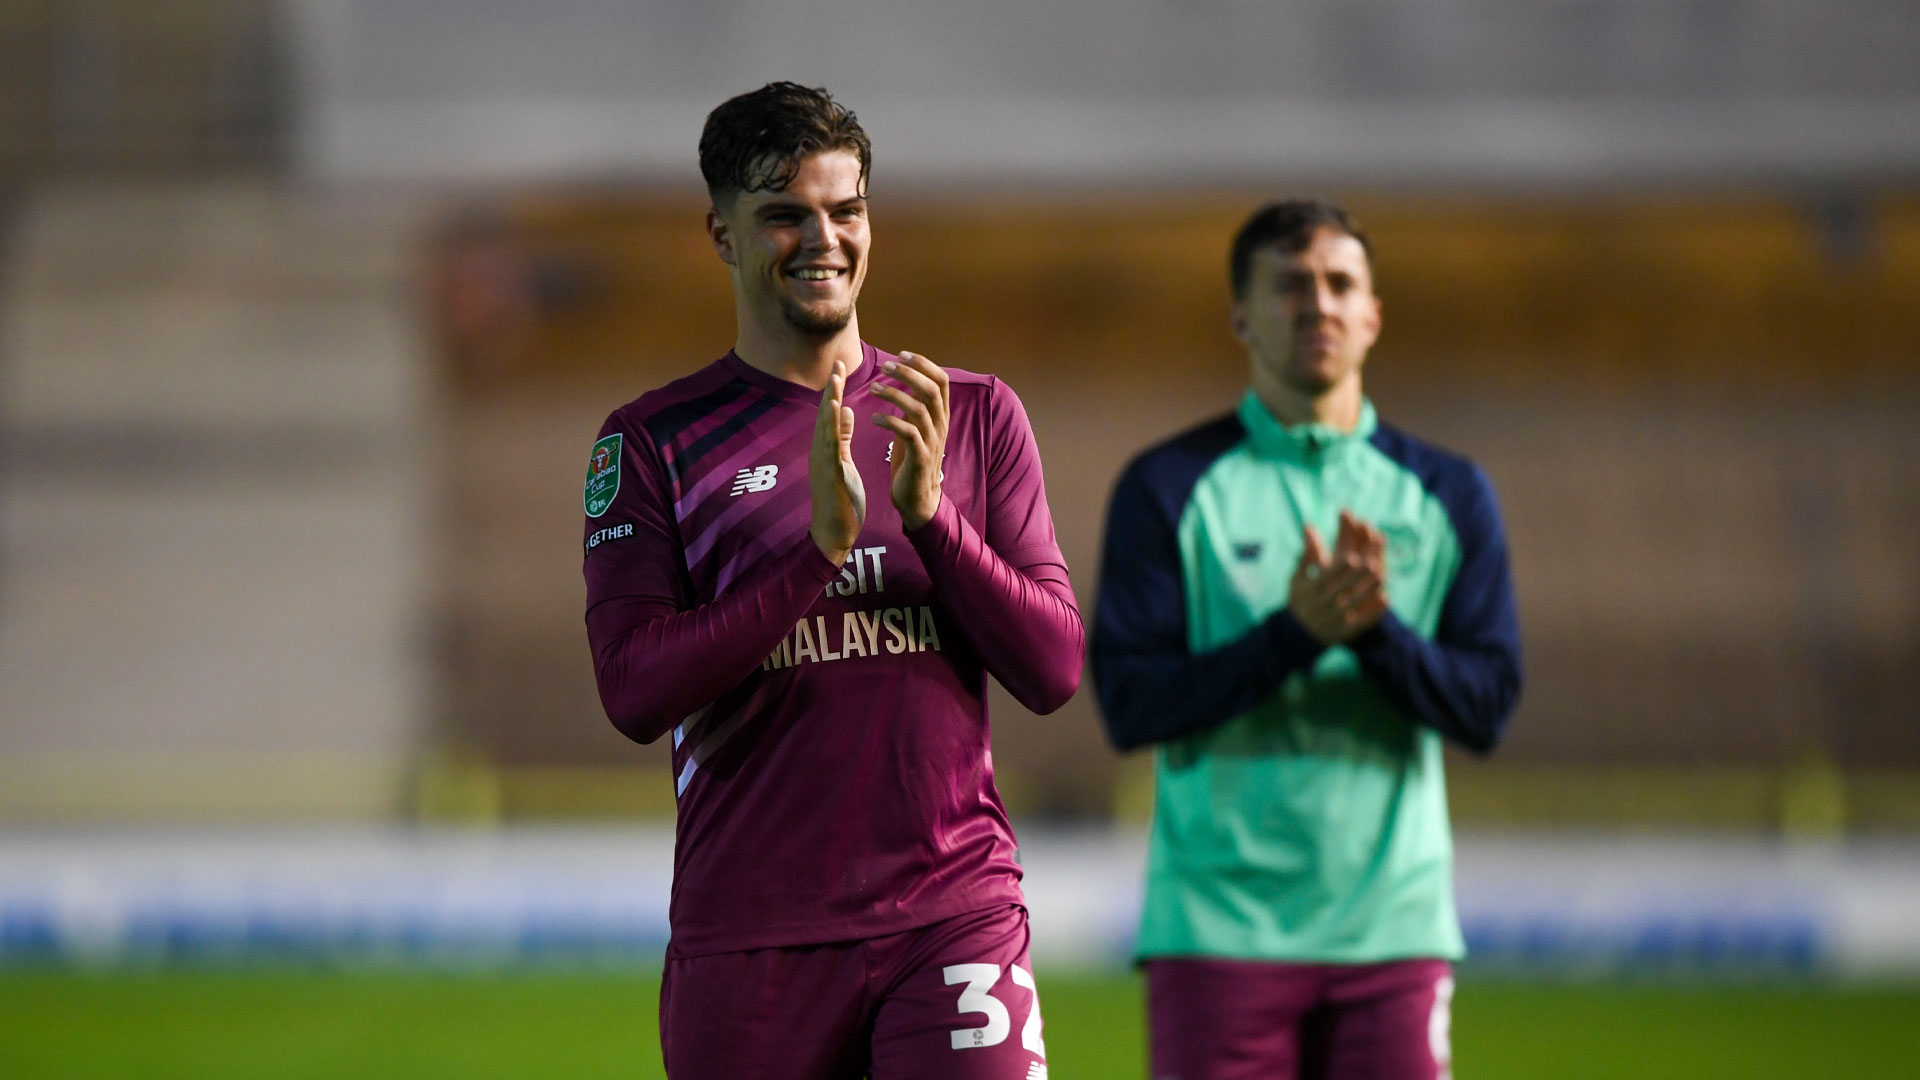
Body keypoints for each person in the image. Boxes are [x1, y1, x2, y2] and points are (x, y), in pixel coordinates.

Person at [582, 82, 1081, 1080]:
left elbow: (1054, 666)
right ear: (722, 233)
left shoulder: (969, 415)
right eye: (784, 215)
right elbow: (634, 691)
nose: (823, 238)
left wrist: (934, 520)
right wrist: (813, 554)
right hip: (750, 938)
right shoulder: (651, 442)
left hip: (952, 913)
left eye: (845, 210)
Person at [1091, 199, 1523, 1080]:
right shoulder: (1169, 486)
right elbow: (1130, 706)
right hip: (1217, 930)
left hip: (1392, 933)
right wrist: (1294, 635)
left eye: (1339, 284)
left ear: (1373, 314)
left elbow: (1486, 707)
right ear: (1241, 316)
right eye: (1290, 286)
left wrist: (1372, 635)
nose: (1317, 305)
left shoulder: (1448, 495)